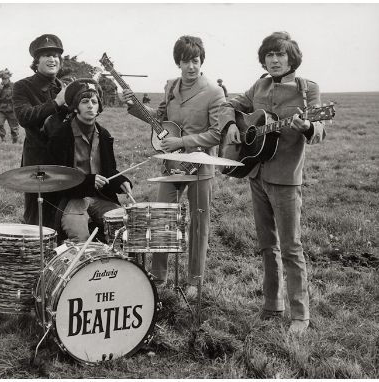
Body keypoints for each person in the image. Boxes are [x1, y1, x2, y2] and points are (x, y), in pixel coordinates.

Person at [218, 31, 326, 334]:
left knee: (291, 247)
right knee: (267, 245)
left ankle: (300, 315)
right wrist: (230, 125)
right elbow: (230, 105)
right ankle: (271, 305)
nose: (274, 60)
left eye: (280, 55)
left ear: (292, 58)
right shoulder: (260, 84)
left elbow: (320, 130)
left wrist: (307, 125)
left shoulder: (308, 90)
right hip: (256, 173)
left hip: (286, 179)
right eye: (269, 55)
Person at [123, 35, 226, 296]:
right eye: (185, 61)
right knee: (161, 218)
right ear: (177, 63)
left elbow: (217, 133)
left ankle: (195, 280)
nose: (190, 66)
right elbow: (160, 120)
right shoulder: (171, 86)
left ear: (201, 60)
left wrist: (183, 140)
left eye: (195, 60)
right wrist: (135, 107)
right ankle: (158, 277)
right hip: (171, 165)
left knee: (198, 222)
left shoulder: (214, 92)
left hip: (201, 166)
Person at [43, 78, 133, 242]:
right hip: (72, 199)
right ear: (75, 107)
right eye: (85, 101)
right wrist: (88, 181)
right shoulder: (60, 136)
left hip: (100, 198)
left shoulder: (104, 135)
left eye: (94, 101)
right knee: (80, 237)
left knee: (125, 229)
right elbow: (57, 178)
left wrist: (121, 181)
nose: (90, 105)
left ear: (99, 106)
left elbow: (109, 171)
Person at [12, 34, 67, 228]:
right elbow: (25, 117)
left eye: (56, 55)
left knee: (63, 215)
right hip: (38, 162)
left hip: (66, 161)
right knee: (37, 217)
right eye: (47, 55)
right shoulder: (22, 86)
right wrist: (57, 102)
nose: (53, 59)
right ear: (36, 61)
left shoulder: (64, 87)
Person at [0, 68, 20, 143]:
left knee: (14, 127)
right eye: (2, 79)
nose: (4, 80)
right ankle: (3, 138)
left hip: (12, 110)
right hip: (2, 109)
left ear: (8, 78)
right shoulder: (0, 86)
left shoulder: (14, 86)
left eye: (5, 78)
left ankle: (15, 140)